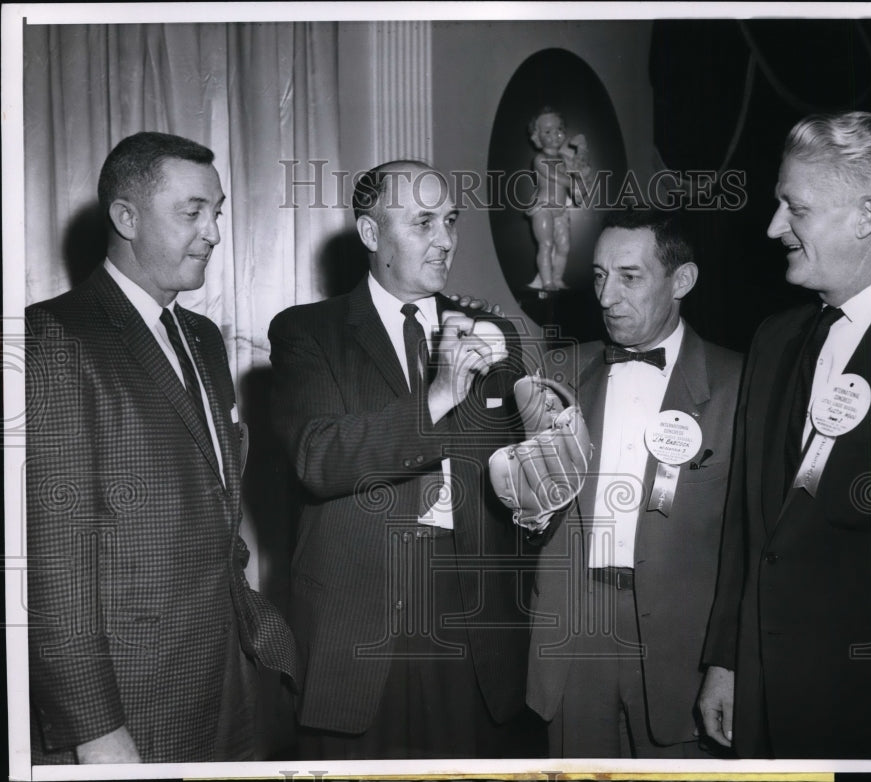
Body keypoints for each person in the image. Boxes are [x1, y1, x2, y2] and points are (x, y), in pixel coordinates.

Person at [698, 111, 871, 759]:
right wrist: (727, 660)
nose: (772, 227)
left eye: (795, 208)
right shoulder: (775, 337)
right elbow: (749, 523)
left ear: (866, 216)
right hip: (762, 697)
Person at [26, 131, 297, 764]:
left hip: (227, 680)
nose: (213, 233)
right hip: (131, 700)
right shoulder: (52, 339)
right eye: (192, 212)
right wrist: (94, 729)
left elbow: (215, 508)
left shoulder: (201, 336)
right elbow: (53, 561)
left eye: (218, 211)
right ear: (125, 217)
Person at [268, 160, 541, 759]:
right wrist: (441, 392)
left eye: (449, 220)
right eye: (423, 223)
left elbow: (515, 472)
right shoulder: (308, 332)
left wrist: (542, 490)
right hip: (362, 628)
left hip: (471, 631)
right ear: (371, 235)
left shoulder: (493, 330)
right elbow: (319, 458)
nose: (445, 239)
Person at [509, 208, 743, 757]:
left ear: (681, 281)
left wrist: (727, 661)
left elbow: (751, 544)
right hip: (573, 634)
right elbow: (524, 505)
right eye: (598, 276)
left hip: (683, 647)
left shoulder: (741, 381)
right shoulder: (557, 372)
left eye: (629, 277)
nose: (606, 296)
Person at [525, 108, 591, 293]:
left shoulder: (565, 158)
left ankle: (557, 278)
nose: (555, 134)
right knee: (546, 244)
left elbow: (579, 169)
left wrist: (582, 153)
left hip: (561, 210)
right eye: (547, 131)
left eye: (559, 129)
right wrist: (574, 181)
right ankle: (547, 282)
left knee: (564, 246)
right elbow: (555, 176)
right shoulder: (540, 159)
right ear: (537, 137)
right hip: (543, 207)